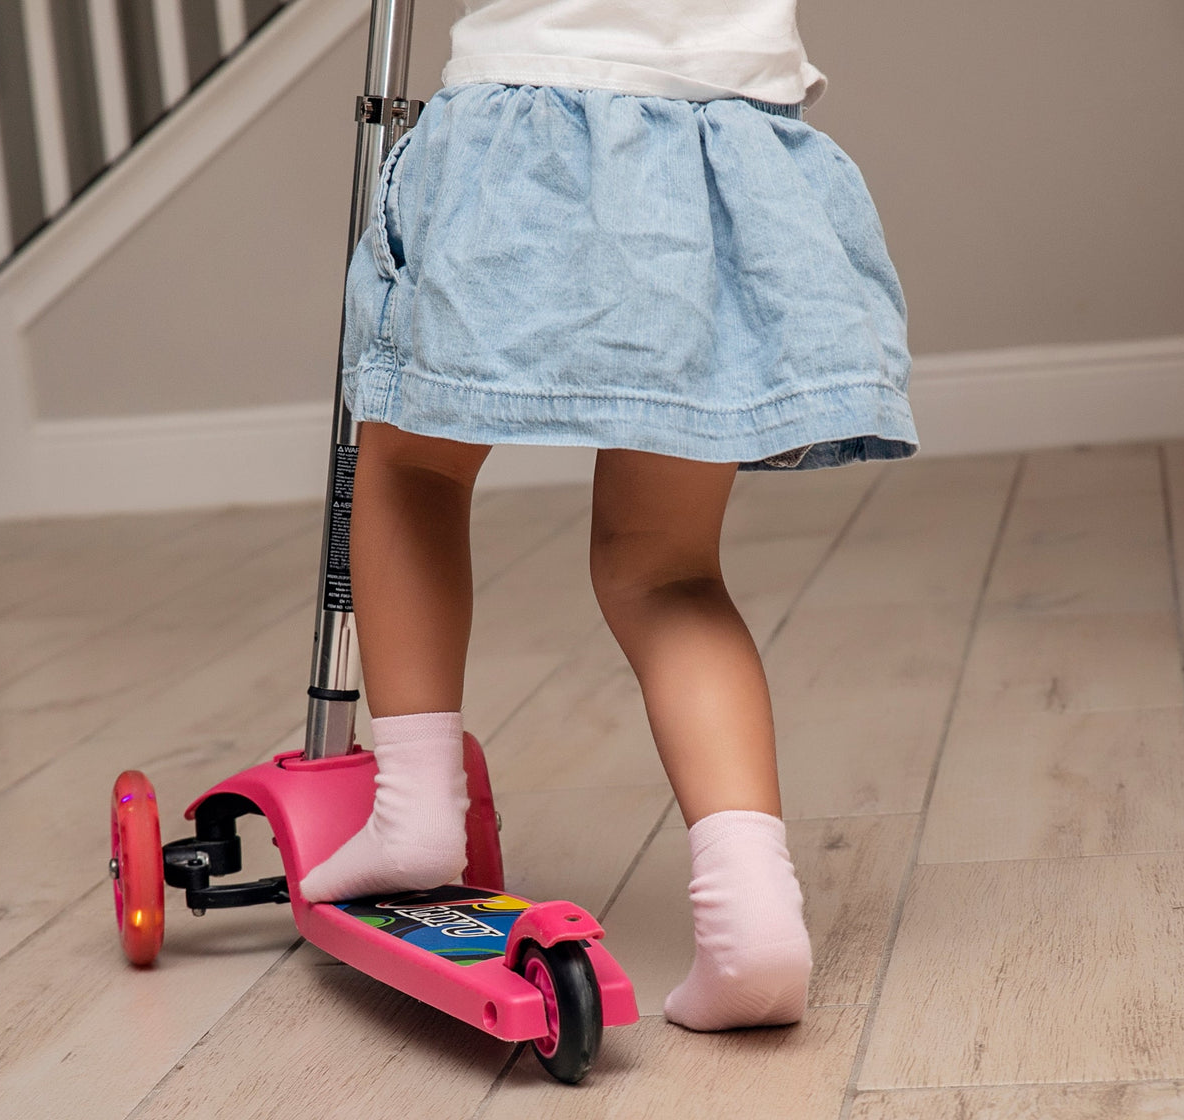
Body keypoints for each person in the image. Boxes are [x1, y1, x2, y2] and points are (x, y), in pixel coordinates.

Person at [299, 0, 918, 1032]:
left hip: (523, 143)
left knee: (411, 464)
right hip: (731, 163)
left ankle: (412, 805)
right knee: (668, 570)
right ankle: (751, 910)